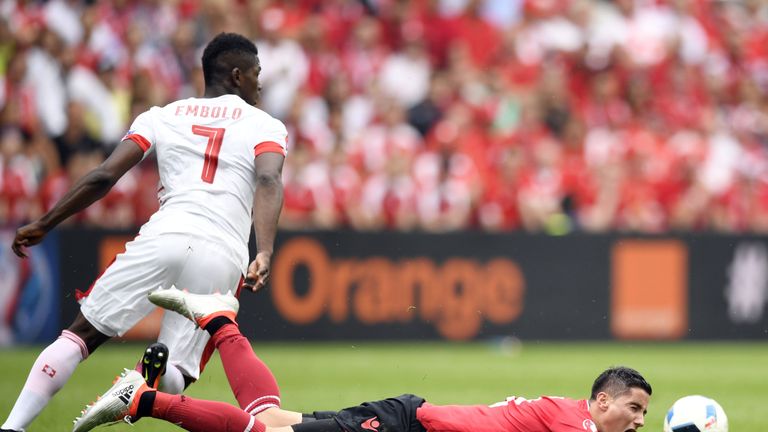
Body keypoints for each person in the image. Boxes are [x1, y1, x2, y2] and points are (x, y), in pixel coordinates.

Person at [2, 32, 287, 432]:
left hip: (164, 235)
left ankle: (11, 427)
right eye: (257, 73)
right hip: (222, 254)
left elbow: (104, 176)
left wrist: (46, 221)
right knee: (179, 374)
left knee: (79, 337)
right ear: (237, 75)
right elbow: (269, 180)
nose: (261, 82)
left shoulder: (163, 114)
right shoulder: (266, 125)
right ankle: (154, 374)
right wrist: (267, 251)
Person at [73, 289, 652, 432]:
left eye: (645, 414)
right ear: (601, 401)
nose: (640, 420)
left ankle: (220, 322)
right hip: (405, 427)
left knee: (271, 420)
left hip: (406, 419)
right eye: (634, 408)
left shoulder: (577, 418)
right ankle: (146, 398)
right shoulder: (572, 419)